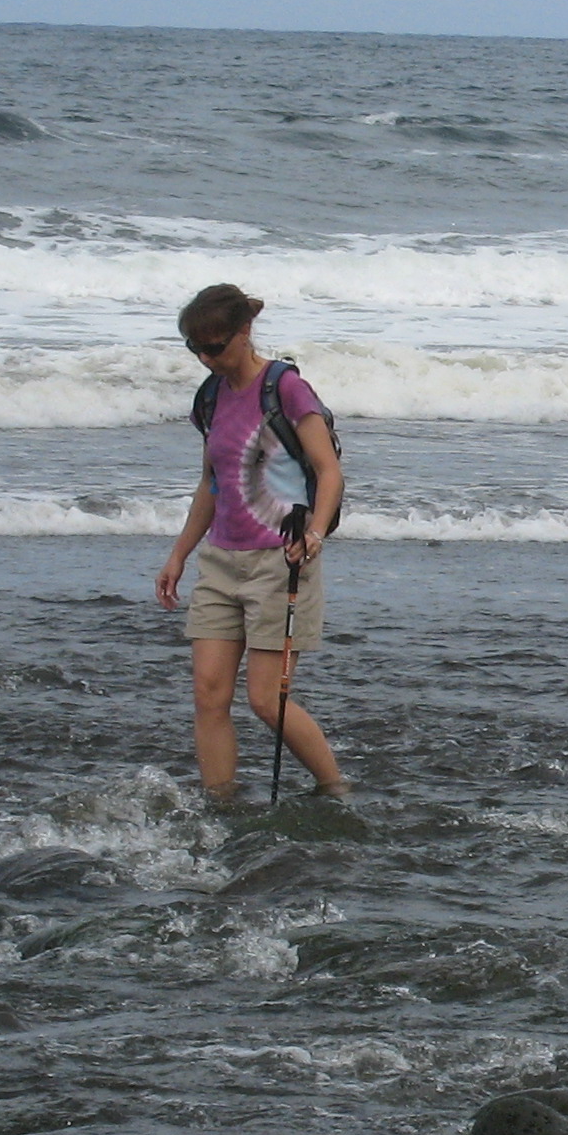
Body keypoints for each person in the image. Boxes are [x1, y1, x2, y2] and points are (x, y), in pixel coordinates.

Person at [154, 283, 346, 798]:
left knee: (266, 700)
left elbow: (328, 470)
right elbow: (211, 483)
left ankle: (335, 789)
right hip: (220, 561)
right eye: (195, 348)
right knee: (208, 696)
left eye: (215, 347)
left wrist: (314, 534)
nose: (206, 358)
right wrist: (178, 555)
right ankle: (221, 802)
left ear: (244, 332)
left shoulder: (285, 388)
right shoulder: (210, 396)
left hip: (281, 560)